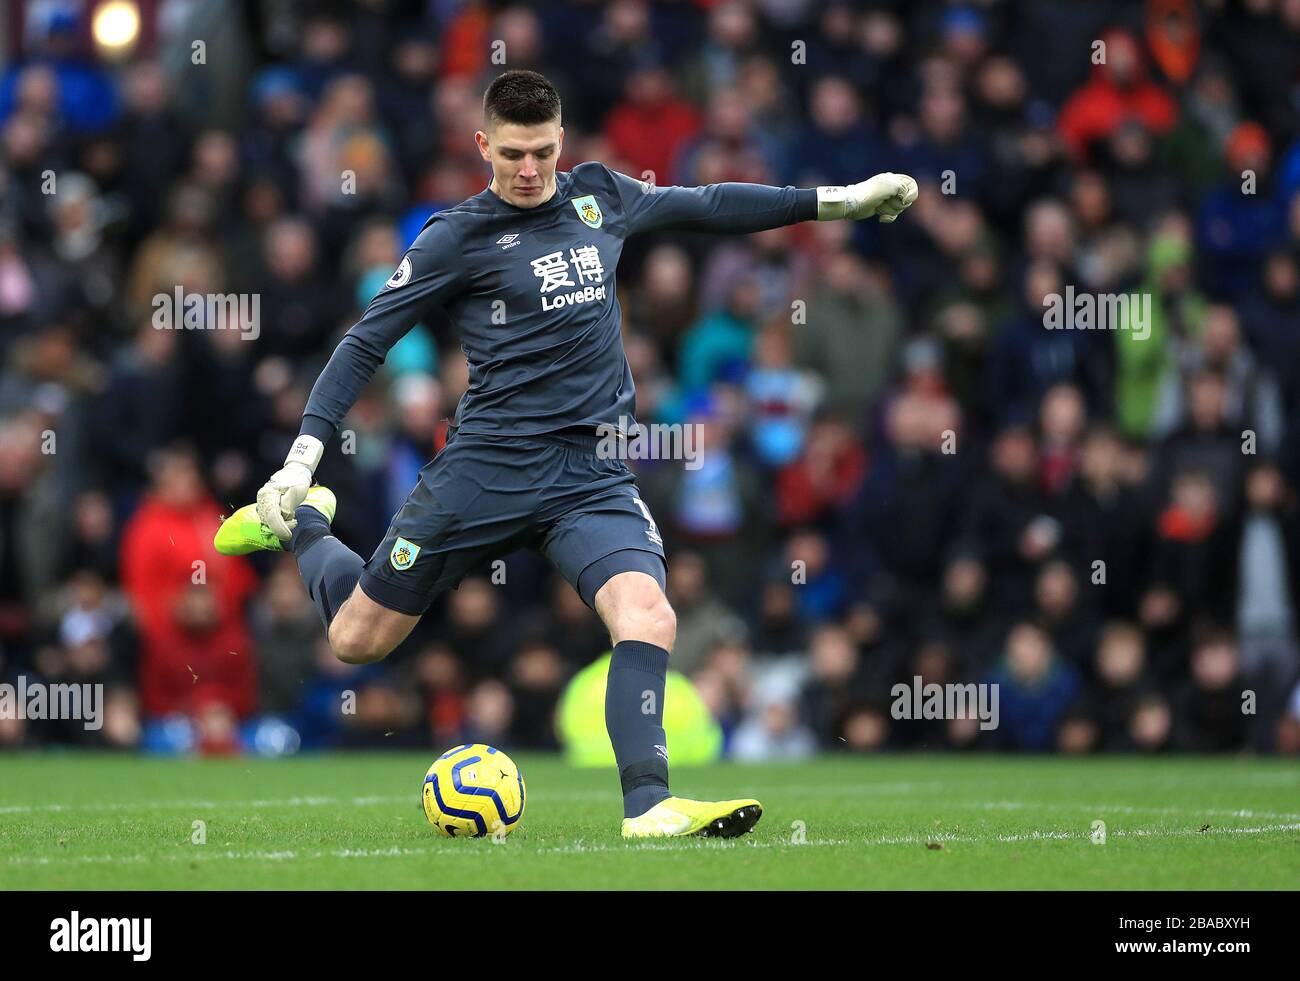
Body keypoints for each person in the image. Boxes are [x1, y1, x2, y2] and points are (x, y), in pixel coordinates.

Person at [214, 69, 916, 838]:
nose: (528, 170)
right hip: (484, 467)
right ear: (482, 145)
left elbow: (708, 205)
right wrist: (302, 460)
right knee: (356, 640)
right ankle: (304, 525)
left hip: (590, 472)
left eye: (543, 152)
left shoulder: (600, 196)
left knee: (647, 612)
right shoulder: (456, 236)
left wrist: (838, 201)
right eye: (512, 153)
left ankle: (648, 804)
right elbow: (366, 340)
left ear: (562, 142)